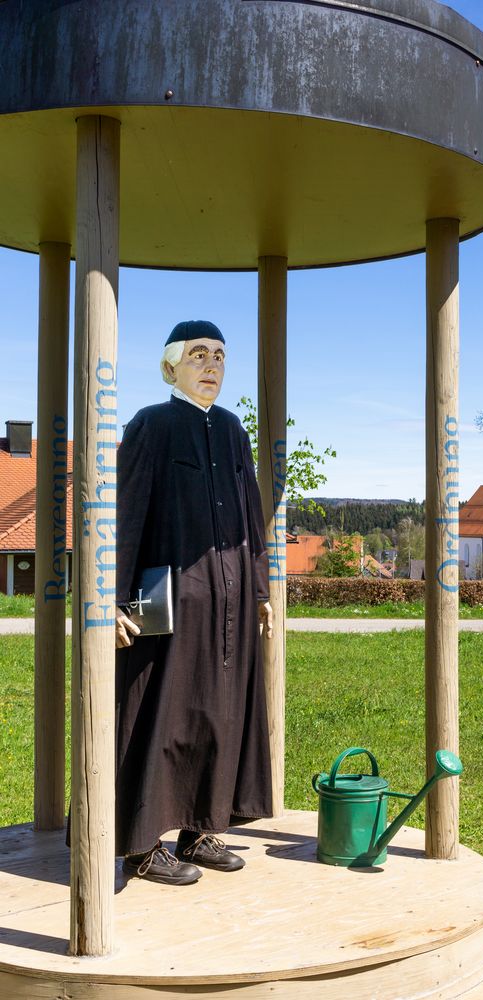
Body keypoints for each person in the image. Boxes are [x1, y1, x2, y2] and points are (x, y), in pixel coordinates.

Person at [115, 319, 273, 885]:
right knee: (157, 715)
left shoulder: (233, 430)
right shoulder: (150, 425)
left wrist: (258, 588)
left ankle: (200, 831)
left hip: (227, 602)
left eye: (221, 357)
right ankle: (139, 845)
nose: (212, 366)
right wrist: (113, 599)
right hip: (157, 597)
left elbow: (251, 521)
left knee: (217, 715)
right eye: (199, 355)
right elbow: (126, 516)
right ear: (171, 365)